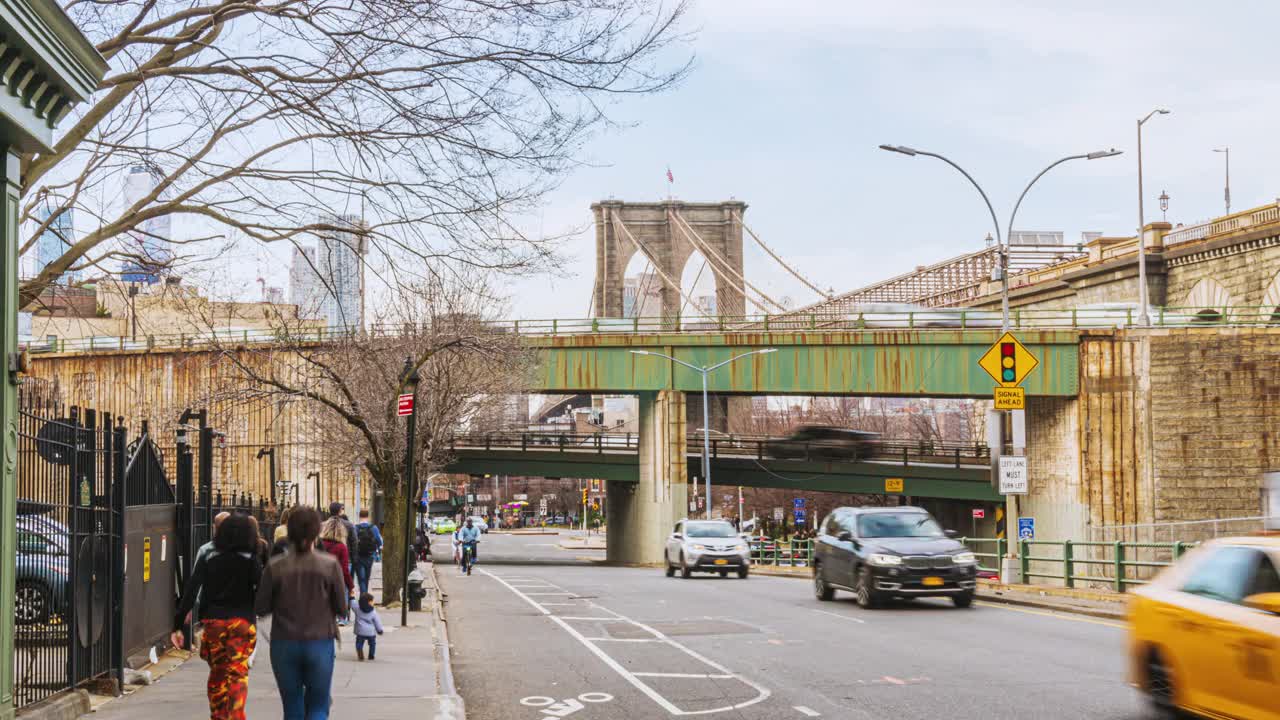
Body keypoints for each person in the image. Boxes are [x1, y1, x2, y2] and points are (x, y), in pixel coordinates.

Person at [255, 506, 348, 720]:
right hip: (320, 640)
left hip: (284, 642)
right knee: (318, 705)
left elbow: (261, 607)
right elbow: (342, 608)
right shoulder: (329, 565)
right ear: (316, 531)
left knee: (292, 707)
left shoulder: (275, 566)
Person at [171, 514, 263, 720]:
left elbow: (192, 590)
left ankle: (219, 715)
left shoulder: (209, 558)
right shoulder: (251, 560)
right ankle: (236, 713)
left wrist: (178, 625)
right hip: (242, 621)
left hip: (214, 622)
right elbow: (262, 591)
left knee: (218, 673)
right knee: (237, 672)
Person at [319, 517, 355, 625]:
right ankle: (342, 617)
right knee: (343, 593)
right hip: (337, 578)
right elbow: (344, 569)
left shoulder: (319, 544)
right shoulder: (341, 547)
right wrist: (351, 585)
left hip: (322, 576)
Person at [352, 509, 382, 595]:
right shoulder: (373, 528)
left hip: (358, 556)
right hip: (370, 555)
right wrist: (378, 550)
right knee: (366, 577)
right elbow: (379, 541)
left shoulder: (355, 528)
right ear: (368, 516)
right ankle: (365, 596)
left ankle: (363, 596)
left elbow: (352, 541)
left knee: (361, 578)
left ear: (359, 516)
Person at [352, 592, 384, 661]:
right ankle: (371, 655)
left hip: (360, 631)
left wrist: (352, 597)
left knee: (359, 643)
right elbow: (377, 622)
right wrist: (380, 630)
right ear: (368, 602)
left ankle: (360, 652)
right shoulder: (373, 612)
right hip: (371, 632)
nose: (373, 602)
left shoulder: (357, 609)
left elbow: (353, 604)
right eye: (372, 601)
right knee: (372, 644)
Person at [328, 502, 357, 571]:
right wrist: (354, 559)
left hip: (328, 559)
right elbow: (354, 542)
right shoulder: (349, 525)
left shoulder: (324, 525)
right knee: (346, 580)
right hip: (346, 558)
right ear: (340, 511)